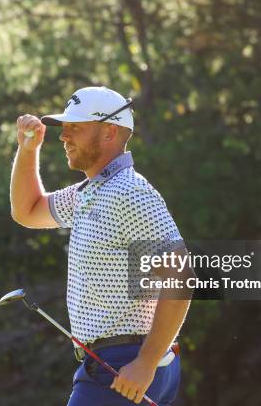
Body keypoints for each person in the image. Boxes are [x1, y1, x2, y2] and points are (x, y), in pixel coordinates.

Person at [10, 86, 191, 405]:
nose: (64, 137)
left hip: (125, 365)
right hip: (121, 364)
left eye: (75, 128)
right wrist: (28, 149)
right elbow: (28, 210)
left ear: (110, 132)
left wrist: (146, 363)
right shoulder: (88, 193)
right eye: (64, 129)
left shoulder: (129, 193)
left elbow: (180, 275)